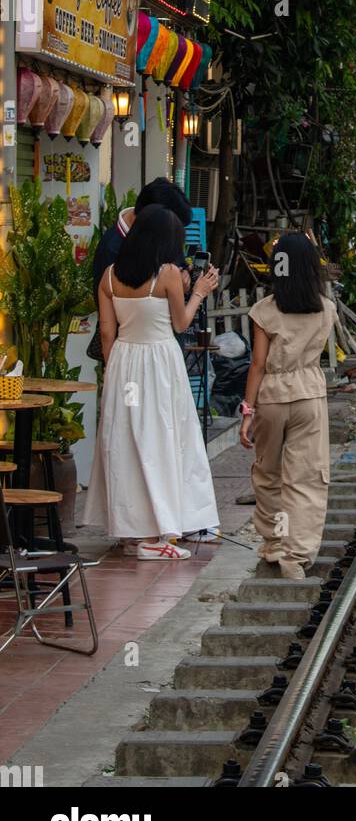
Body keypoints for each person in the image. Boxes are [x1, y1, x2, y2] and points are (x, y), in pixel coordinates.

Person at [84, 205, 221, 561]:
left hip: (124, 363)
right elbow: (180, 322)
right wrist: (201, 291)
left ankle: (132, 530)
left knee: (127, 442)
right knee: (164, 439)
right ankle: (157, 533)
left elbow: (106, 332)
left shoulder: (110, 276)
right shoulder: (168, 275)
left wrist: (114, 375)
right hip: (160, 364)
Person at [239, 233, 337, 580]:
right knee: (307, 478)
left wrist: (247, 413)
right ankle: (295, 558)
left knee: (268, 474)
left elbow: (258, 364)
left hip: (271, 398)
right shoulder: (327, 309)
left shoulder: (264, 310)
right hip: (309, 395)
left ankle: (274, 546)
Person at [92, 177, 193, 310]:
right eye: (172, 227)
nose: (173, 235)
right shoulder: (111, 248)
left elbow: (181, 266)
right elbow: (108, 309)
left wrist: (186, 275)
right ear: (152, 216)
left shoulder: (165, 233)